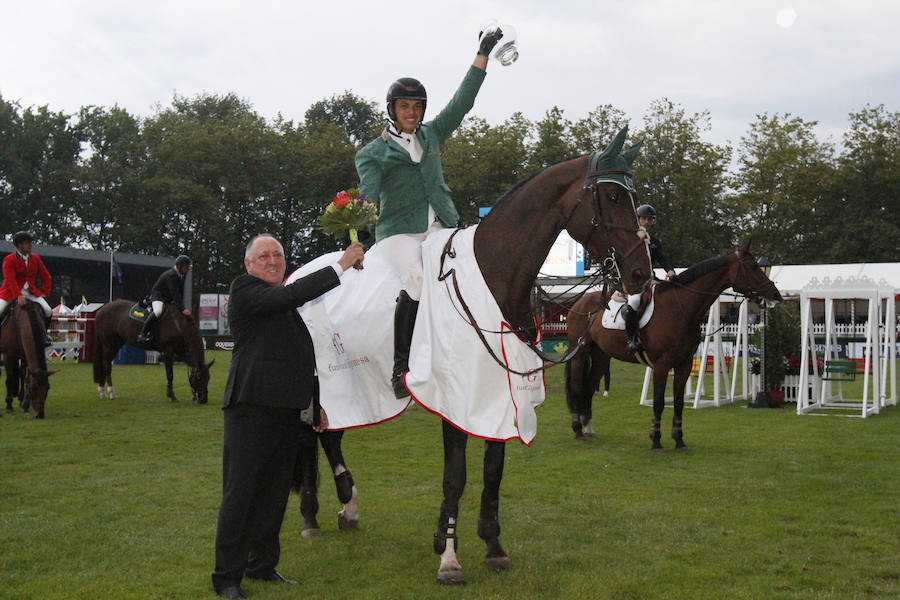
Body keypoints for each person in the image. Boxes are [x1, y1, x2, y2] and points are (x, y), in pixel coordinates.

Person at [211, 234, 364, 599]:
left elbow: (297, 360)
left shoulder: (283, 306)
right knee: (241, 494)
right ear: (248, 265)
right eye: (263, 255)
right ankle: (227, 578)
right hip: (250, 409)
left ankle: (261, 566)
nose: (272, 260)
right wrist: (340, 265)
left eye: (278, 255)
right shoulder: (246, 290)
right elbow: (291, 294)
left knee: (274, 495)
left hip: (286, 414)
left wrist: (313, 405)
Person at [355, 26, 504, 398]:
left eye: (418, 106)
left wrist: (481, 54)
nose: (412, 112)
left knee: (475, 272)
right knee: (419, 280)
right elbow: (367, 195)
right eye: (405, 106)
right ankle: (400, 367)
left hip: (442, 227)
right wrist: (360, 229)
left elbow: (463, 102)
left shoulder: (433, 134)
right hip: (398, 234)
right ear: (392, 109)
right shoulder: (372, 153)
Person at [624, 204, 676, 353]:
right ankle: (631, 339)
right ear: (638, 219)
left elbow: (662, 258)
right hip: (633, 281)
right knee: (634, 301)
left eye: (650, 219)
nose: (647, 222)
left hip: (650, 279)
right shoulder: (629, 239)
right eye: (644, 219)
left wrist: (670, 270)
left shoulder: (653, 240)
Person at [0, 231, 53, 346]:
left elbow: (46, 276)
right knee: (0, 310)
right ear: (19, 245)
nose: (30, 245)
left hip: (31, 292)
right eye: (27, 243)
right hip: (10, 292)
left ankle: (44, 336)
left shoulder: (36, 258)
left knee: (48, 310)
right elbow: (10, 280)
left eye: (30, 243)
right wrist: (18, 296)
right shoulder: (9, 260)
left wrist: (45, 292)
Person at [136, 255, 192, 344]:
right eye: (186, 267)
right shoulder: (171, 275)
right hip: (158, 296)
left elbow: (180, 294)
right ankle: (143, 334)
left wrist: (181, 308)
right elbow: (175, 293)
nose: (188, 270)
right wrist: (183, 309)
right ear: (180, 266)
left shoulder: (180, 276)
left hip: (166, 299)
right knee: (158, 311)